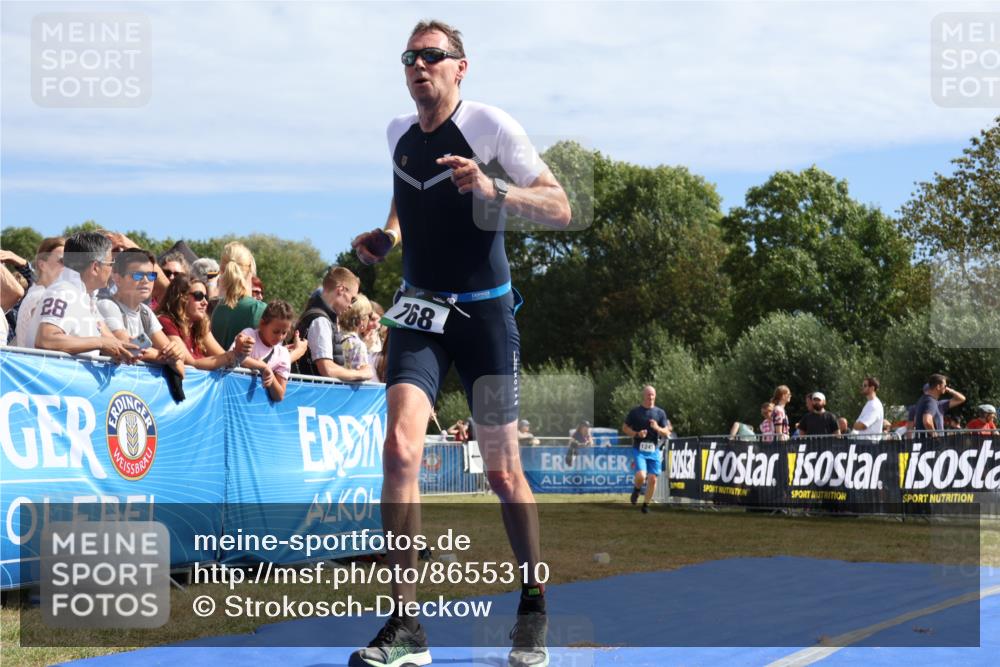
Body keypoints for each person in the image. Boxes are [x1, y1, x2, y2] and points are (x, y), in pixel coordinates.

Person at [347, 19, 571, 667]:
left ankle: (532, 606)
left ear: (460, 67)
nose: (420, 66)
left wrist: (493, 186)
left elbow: (557, 206)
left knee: (503, 471)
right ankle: (407, 625)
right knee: (398, 447)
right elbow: (405, 188)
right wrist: (389, 235)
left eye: (432, 56)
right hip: (420, 309)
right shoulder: (397, 132)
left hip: (485, 318)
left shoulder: (491, 126)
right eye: (410, 57)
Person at [30, 231, 137, 362]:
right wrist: (101, 343)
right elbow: (46, 339)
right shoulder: (63, 292)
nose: (113, 269)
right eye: (110, 263)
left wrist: (133, 347)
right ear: (96, 267)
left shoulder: (84, 296)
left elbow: (112, 341)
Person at [96, 249, 186, 369]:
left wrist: (174, 353)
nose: (146, 280)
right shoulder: (106, 305)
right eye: (137, 275)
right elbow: (128, 349)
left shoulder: (145, 312)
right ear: (117, 278)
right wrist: (165, 356)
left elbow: (179, 362)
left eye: (151, 275)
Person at [293, 266, 373, 382]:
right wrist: (361, 374)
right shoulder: (320, 321)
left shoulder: (316, 316)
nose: (351, 305)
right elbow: (327, 369)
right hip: (315, 396)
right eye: (352, 299)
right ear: (341, 290)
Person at [157, 275, 251, 370]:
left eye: (206, 297)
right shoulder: (166, 322)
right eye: (199, 296)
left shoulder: (200, 325)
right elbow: (191, 363)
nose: (205, 302)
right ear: (181, 297)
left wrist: (240, 352)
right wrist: (234, 354)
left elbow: (222, 356)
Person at [232, 300, 294, 402]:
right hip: (235, 399)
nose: (279, 337)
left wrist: (271, 377)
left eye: (284, 333)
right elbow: (234, 357)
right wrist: (263, 367)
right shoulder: (249, 335)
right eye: (276, 331)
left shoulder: (283, 354)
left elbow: (279, 395)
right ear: (262, 324)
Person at [622, 385, 671, 515]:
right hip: (639, 449)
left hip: (654, 450)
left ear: (655, 396)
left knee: (653, 479)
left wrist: (657, 428)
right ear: (644, 396)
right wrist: (637, 434)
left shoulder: (660, 413)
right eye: (648, 394)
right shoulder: (635, 412)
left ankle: (645, 506)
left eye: (652, 394)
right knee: (641, 475)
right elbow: (625, 428)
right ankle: (637, 489)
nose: (650, 397)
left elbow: (666, 431)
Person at [210, 242, 265, 350]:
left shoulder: (215, 309)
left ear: (221, 271)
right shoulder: (258, 309)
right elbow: (270, 362)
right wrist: (295, 353)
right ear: (250, 271)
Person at [14, 237, 65, 348]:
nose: (68, 267)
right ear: (42, 265)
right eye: (62, 261)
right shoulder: (41, 297)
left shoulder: (39, 293)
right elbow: (48, 344)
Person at [339, 294, 374, 371]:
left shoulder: (336, 337)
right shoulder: (358, 345)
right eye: (369, 315)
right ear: (361, 319)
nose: (369, 319)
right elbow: (361, 375)